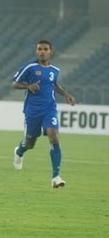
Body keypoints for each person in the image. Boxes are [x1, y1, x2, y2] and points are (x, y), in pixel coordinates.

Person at [12, 39, 76, 188]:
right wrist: (28, 86)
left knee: (53, 135)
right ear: (36, 52)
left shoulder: (55, 70)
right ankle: (19, 152)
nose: (42, 51)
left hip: (49, 109)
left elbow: (53, 84)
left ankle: (56, 177)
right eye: (39, 49)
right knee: (29, 143)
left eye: (45, 49)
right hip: (32, 111)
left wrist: (65, 94)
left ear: (50, 52)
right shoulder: (30, 67)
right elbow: (15, 83)